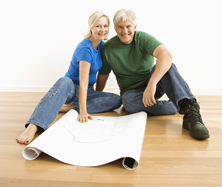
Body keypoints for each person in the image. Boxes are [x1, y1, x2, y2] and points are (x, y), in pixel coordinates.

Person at [96, 9, 209, 139]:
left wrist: (152, 83)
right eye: (120, 27)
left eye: (128, 26)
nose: (125, 31)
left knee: (168, 66)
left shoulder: (142, 38)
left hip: (152, 86)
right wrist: (97, 96)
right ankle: (173, 106)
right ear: (115, 29)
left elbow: (166, 55)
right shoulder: (107, 48)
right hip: (132, 93)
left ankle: (191, 113)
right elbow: (103, 75)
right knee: (128, 103)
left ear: (135, 27)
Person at [16, 11, 122, 144]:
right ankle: (33, 126)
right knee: (64, 81)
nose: (103, 29)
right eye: (98, 26)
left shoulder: (102, 46)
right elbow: (82, 82)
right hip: (71, 87)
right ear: (91, 27)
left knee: (117, 100)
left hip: (87, 90)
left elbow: (101, 75)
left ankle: (72, 107)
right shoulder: (85, 48)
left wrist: (97, 95)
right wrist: (83, 111)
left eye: (105, 26)